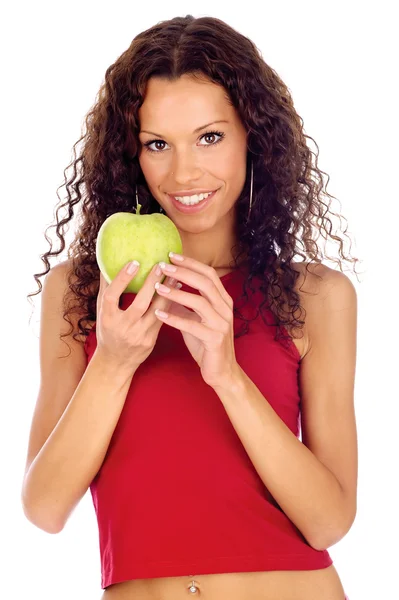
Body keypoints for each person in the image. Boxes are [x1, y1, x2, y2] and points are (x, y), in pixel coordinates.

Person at [22, 14, 358, 600]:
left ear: (252, 136)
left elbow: (329, 521)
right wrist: (115, 360)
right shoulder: (84, 293)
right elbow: (45, 509)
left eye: (210, 137)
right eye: (157, 144)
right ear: (132, 153)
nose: (184, 172)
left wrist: (227, 374)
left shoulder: (315, 296)